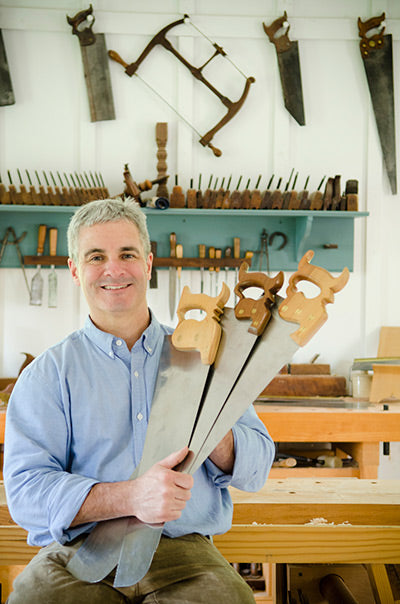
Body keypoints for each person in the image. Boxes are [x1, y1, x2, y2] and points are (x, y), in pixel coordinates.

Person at [4, 197, 275, 603]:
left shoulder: (205, 357)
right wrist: (131, 496)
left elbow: (258, 466)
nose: (114, 269)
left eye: (127, 254)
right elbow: (26, 493)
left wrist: (211, 431)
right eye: (96, 256)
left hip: (186, 555)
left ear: (148, 264)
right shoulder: (47, 375)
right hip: (78, 552)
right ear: (75, 270)